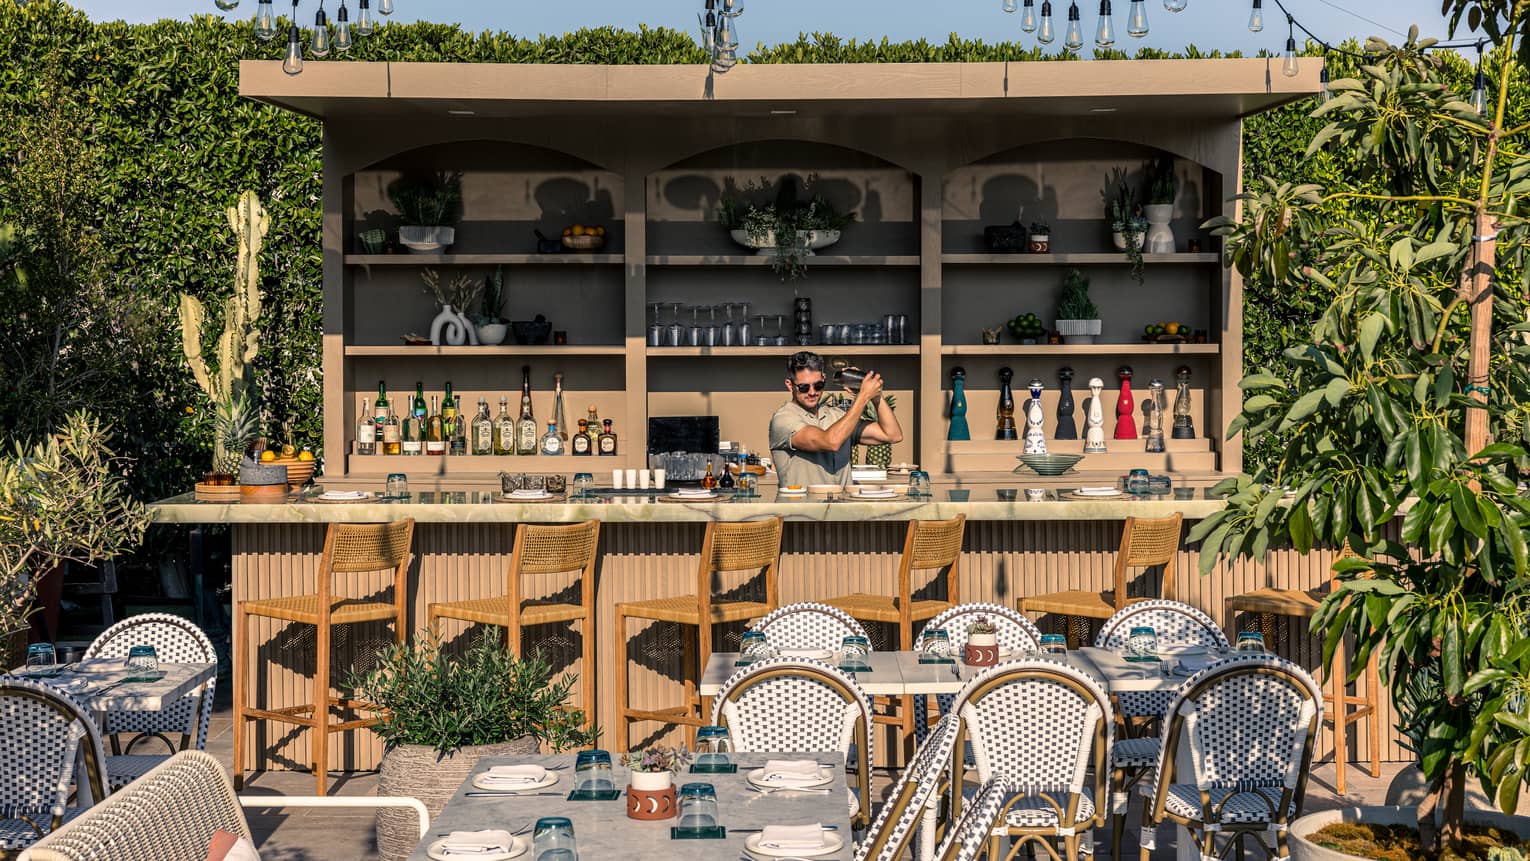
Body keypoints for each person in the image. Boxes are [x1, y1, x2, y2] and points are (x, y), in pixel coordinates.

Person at [768, 351, 903, 488]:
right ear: (790, 385)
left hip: (842, 508)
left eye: (818, 385)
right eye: (804, 387)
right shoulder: (783, 419)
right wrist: (863, 397)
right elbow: (831, 441)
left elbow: (892, 435)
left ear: (824, 379)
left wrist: (875, 396)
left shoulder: (837, 416)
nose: (812, 392)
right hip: (803, 508)